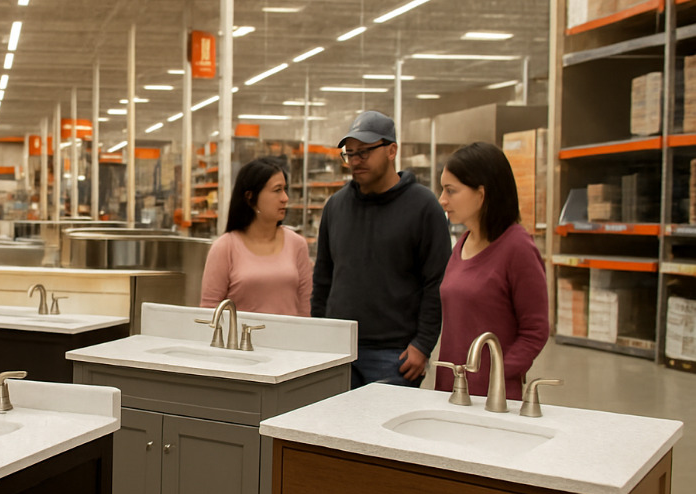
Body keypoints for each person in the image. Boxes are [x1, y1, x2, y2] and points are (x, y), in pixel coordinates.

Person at [311, 111, 451, 387]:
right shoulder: (336, 207)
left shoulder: (423, 207)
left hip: (393, 355)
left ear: (391, 150)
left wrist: (423, 344)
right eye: (349, 154)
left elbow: (436, 282)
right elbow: (323, 277)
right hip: (338, 349)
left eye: (364, 152)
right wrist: (319, 333)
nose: (355, 161)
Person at [435, 142, 549, 398]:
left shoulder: (517, 247)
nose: (442, 199)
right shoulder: (462, 243)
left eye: (451, 191)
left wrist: (497, 377)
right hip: (451, 390)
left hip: (491, 398)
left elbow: (535, 331)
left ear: (481, 193)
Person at [200, 158, 312, 316]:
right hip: (241, 340)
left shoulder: (297, 244)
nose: (285, 198)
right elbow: (210, 310)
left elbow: (305, 308)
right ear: (250, 197)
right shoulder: (225, 247)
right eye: (277, 190)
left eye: (285, 189)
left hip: (288, 339)